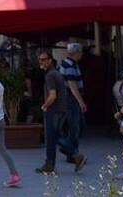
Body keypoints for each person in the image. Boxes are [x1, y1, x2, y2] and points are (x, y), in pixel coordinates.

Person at [35, 51, 66, 174]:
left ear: (50, 60)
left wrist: (44, 105)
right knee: (54, 137)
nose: (41, 62)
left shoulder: (50, 76)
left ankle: (75, 154)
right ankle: (50, 164)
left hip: (53, 110)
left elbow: (52, 95)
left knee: (51, 137)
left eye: (43, 59)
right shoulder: (57, 73)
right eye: (40, 60)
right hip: (61, 109)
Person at [58, 43, 88, 172]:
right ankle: (73, 153)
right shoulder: (70, 65)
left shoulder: (70, 64)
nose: (81, 55)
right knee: (75, 126)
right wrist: (81, 102)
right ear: (75, 53)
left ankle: (72, 153)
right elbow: (72, 85)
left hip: (69, 99)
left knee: (74, 126)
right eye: (80, 52)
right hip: (71, 99)